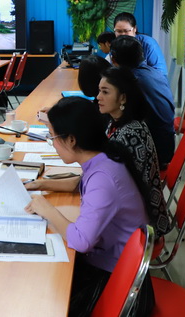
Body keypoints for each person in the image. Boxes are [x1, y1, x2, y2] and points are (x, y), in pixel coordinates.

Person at [24, 97, 153, 316]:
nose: (53, 144)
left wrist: (47, 210)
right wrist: (41, 184)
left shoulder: (103, 178)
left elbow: (81, 241)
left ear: (71, 139)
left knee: (39, 291)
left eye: (53, 137)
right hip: (114, 263)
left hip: (116, 281)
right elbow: (80, 183)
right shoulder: (104, 158)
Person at [97, 67, 171, 237]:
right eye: (99, 91)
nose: (98, 97)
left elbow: (115, 186)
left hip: (140, 227)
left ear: (123, 97)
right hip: (129, 212)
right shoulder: (117, 123)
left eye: (105, 92)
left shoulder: (130, 135)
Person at [110, 36, 176, 167]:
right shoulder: (154, 73)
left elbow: (120, 117)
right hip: (165, 146)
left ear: (114, 60)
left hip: (151, 154)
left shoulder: (132, 81)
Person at [113, 12, 167, 76]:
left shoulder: (148, 43)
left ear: (135, 29)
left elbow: (160, 73)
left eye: (126, 31)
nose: (123, 35)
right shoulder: (115, 45)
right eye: (119, 31)